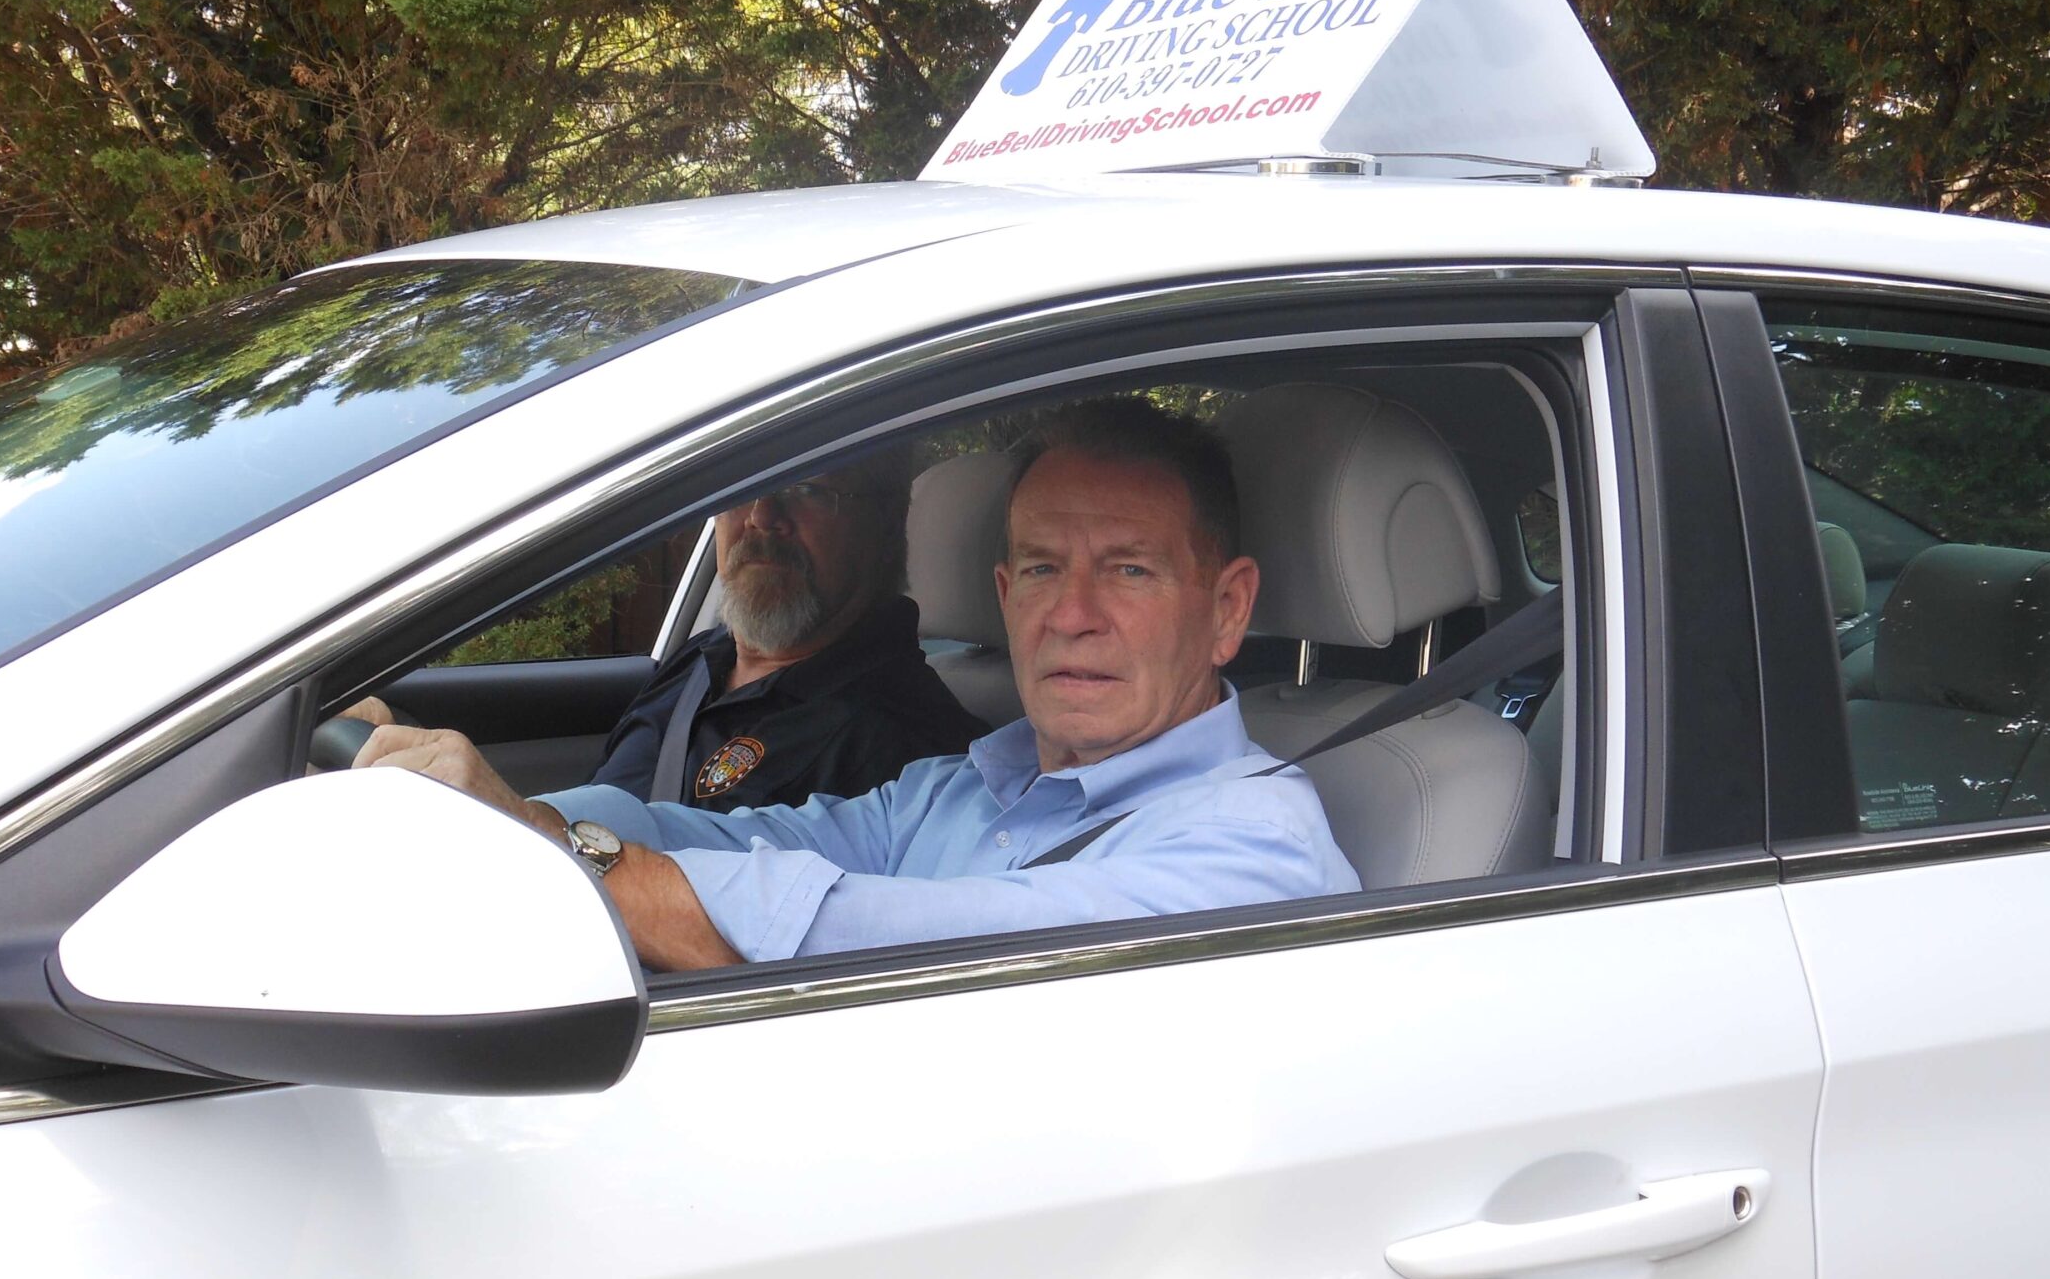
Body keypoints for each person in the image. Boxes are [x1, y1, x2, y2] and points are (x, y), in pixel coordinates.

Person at [354, 398, 1360, 969]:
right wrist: (495, 808)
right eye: (1044, 570)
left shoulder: (1251, 851)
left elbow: (874, 938)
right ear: (1004, 595)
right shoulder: (960, 788)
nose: (1073, 613)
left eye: (1129, 569)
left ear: (1227, 609)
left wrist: (558, 851)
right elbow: (742, 836)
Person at [581, 446, 986, 809]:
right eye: (741, 488)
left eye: (806, 488)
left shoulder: (910, 755)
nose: (761, 515)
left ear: (884, 520)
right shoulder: (698, 660)